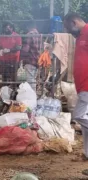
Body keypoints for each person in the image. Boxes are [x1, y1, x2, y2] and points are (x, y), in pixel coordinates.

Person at [64, 13, 88, 167]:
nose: (68, 32)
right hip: (82, 86)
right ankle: (87, 154)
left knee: (79, 116)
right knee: (86, 128)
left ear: (74, 22)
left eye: (68, 28)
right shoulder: (80, 37)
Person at [20, 22, 41, 91]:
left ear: (28, 27)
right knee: (33, 80)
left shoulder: (29, 35)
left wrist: (21, 58)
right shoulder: (39, 35)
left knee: (30, 81)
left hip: (29, 60)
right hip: (37, 60)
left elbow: (26, 49)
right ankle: (33, 96)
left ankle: (32, 98)